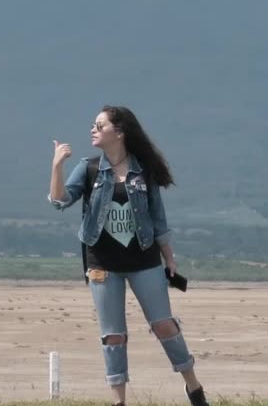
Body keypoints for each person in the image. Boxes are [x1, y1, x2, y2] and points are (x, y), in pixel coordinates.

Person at [48, 105, 210, 406]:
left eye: (100, 125)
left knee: (164, 324)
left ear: (119, 131)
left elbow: (158, 219)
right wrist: (57, 166)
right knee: (113, 336)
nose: (93, 130)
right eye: (93, 125)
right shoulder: (88, 168)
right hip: (102, 263)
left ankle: (193, 386)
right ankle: (119, 401)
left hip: (144, 260)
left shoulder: (143, 171)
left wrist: (169, 258)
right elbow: (59, 201)